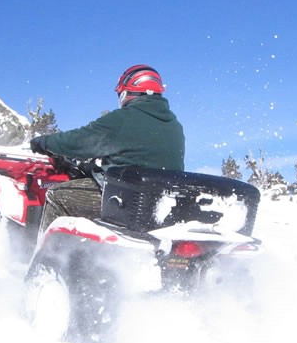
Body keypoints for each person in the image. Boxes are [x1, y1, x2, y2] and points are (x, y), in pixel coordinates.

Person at [30, 64, 185, 237]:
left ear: (126, 92)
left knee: (57, 196)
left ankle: (47, 262)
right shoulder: (174, 125)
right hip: (162, 203)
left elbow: (79, 141)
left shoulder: (124, 118)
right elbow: (139, 158)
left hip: (128, 201)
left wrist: (44, 142)